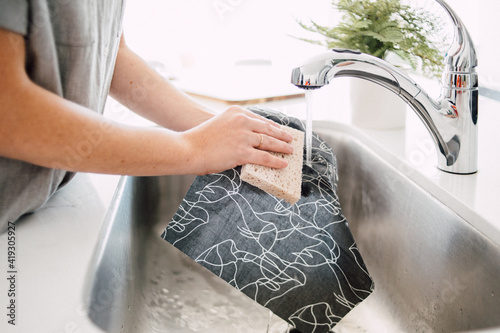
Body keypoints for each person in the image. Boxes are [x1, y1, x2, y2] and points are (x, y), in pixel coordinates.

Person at [0, 0, 293, 232]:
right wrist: (194, 148)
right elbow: (8, 110)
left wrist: (211, 126)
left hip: (45, 207)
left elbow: (112, 53)